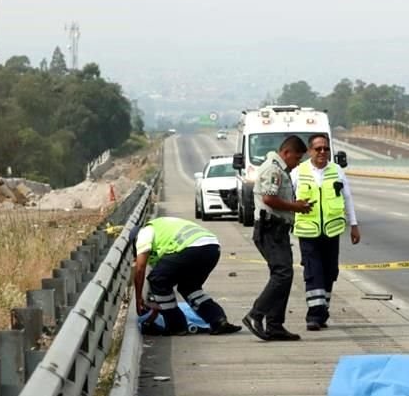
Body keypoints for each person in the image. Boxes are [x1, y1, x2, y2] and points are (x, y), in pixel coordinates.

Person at [242, 135, 313, 341]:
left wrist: (296, 205)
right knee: (282, 274)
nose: (298, 163)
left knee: (284, 274)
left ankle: (275, 325)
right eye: (297, 158)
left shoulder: (280, 169)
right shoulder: (273, 169)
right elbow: (269, 199)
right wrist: (295, 207)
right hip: (269, 229)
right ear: (286, 153)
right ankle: (256, 314)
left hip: (278, 230)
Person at [291, 133, 360, 330]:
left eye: (326, 148)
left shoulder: (337, 171)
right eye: (318, 148)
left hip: (331, 231)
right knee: (314, 273)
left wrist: (354, 225)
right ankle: (313, 315)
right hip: (308, 232)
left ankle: (322, 311)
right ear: (310, 151)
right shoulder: (298, 172)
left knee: (330, 272)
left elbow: (347, 199)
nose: (322, 152)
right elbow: (289, 200)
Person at [131, 216, 241, 335]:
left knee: (156, 279)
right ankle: (218, 320)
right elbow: (164, 277)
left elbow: (140, 269)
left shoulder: (144, 233)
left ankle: (176, 326)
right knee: (189, 287)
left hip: (191, 246)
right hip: (211, 248)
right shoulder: (163, 230)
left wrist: (138, 299)